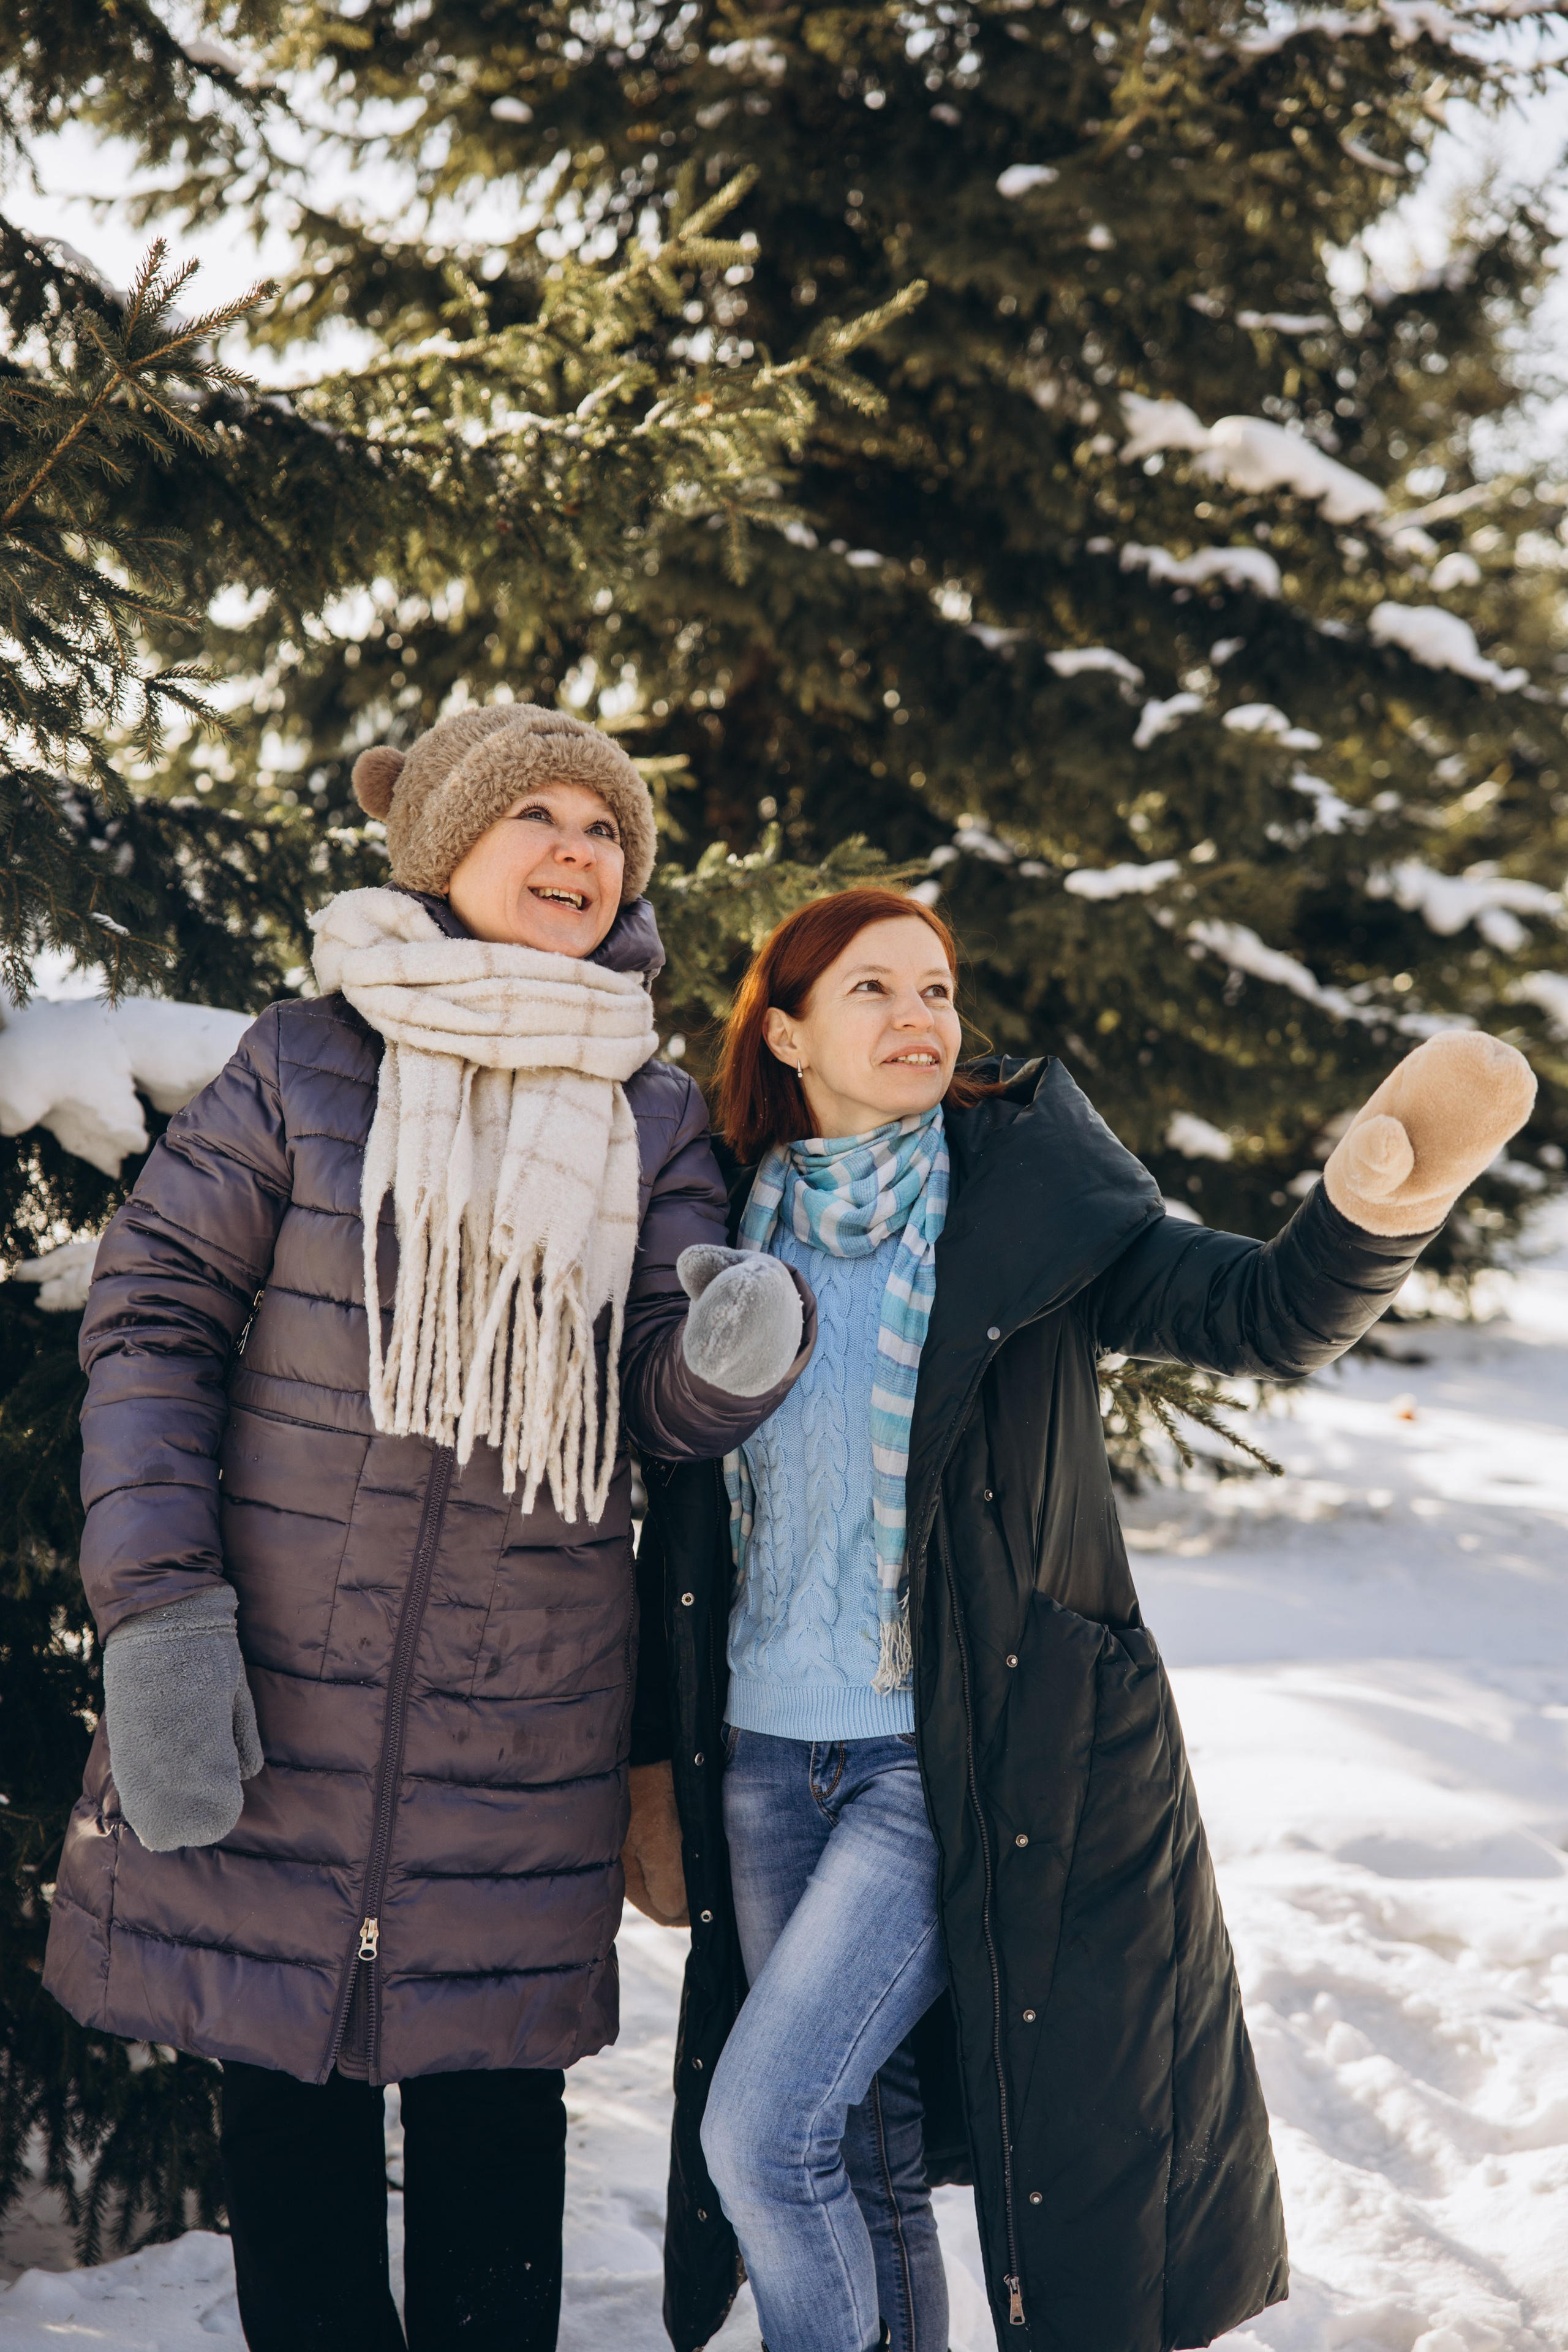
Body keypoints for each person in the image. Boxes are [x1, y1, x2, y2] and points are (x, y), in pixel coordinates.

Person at [632, 883, 1536, 2352]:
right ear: (785, 1031)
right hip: (757, 1755)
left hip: (939, 1763)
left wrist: (1373, 1206)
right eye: (873, 990)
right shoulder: (714, 1216)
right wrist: (643, 1761)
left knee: (760, 2133)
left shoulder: (1020, 1211)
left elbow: (1256, 1314)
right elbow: (670, 1497)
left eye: (936, 989)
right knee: (847, 2150)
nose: (920, 1015)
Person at [41, 703, 812, 2352]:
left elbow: (654, 1402)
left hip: (522, 1709)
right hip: (276, 1685)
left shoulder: (656, 1111)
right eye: (536, 815)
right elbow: (153, 1318)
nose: (578, 850)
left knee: (493, 2150)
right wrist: (163, 1614)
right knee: (289, 2132)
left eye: (605, 830)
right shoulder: (305, 1064)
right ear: (443, 852)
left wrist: (729, 1360)